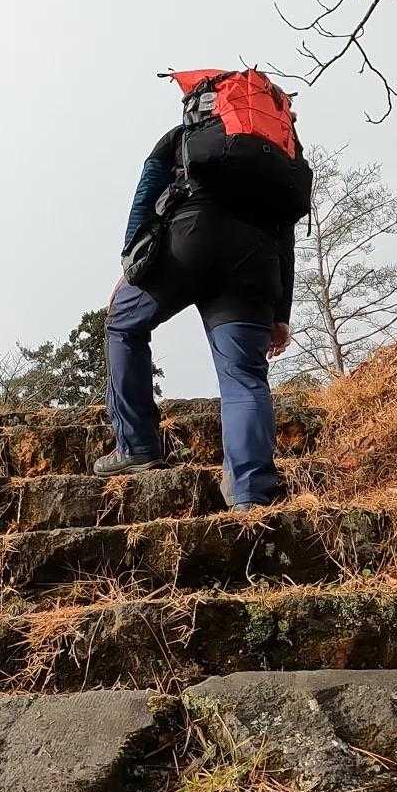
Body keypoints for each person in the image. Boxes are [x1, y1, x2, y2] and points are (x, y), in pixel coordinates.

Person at [94, 71, 305, 512]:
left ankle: (137, 446)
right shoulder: (278, 156)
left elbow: (145, 197)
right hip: (255, 263)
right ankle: (250, 492)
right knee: (244, 376)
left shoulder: (182, 139)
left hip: (187, 243)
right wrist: (280, 313)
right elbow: (285, 233)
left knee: (122, 325)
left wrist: (131, 264)